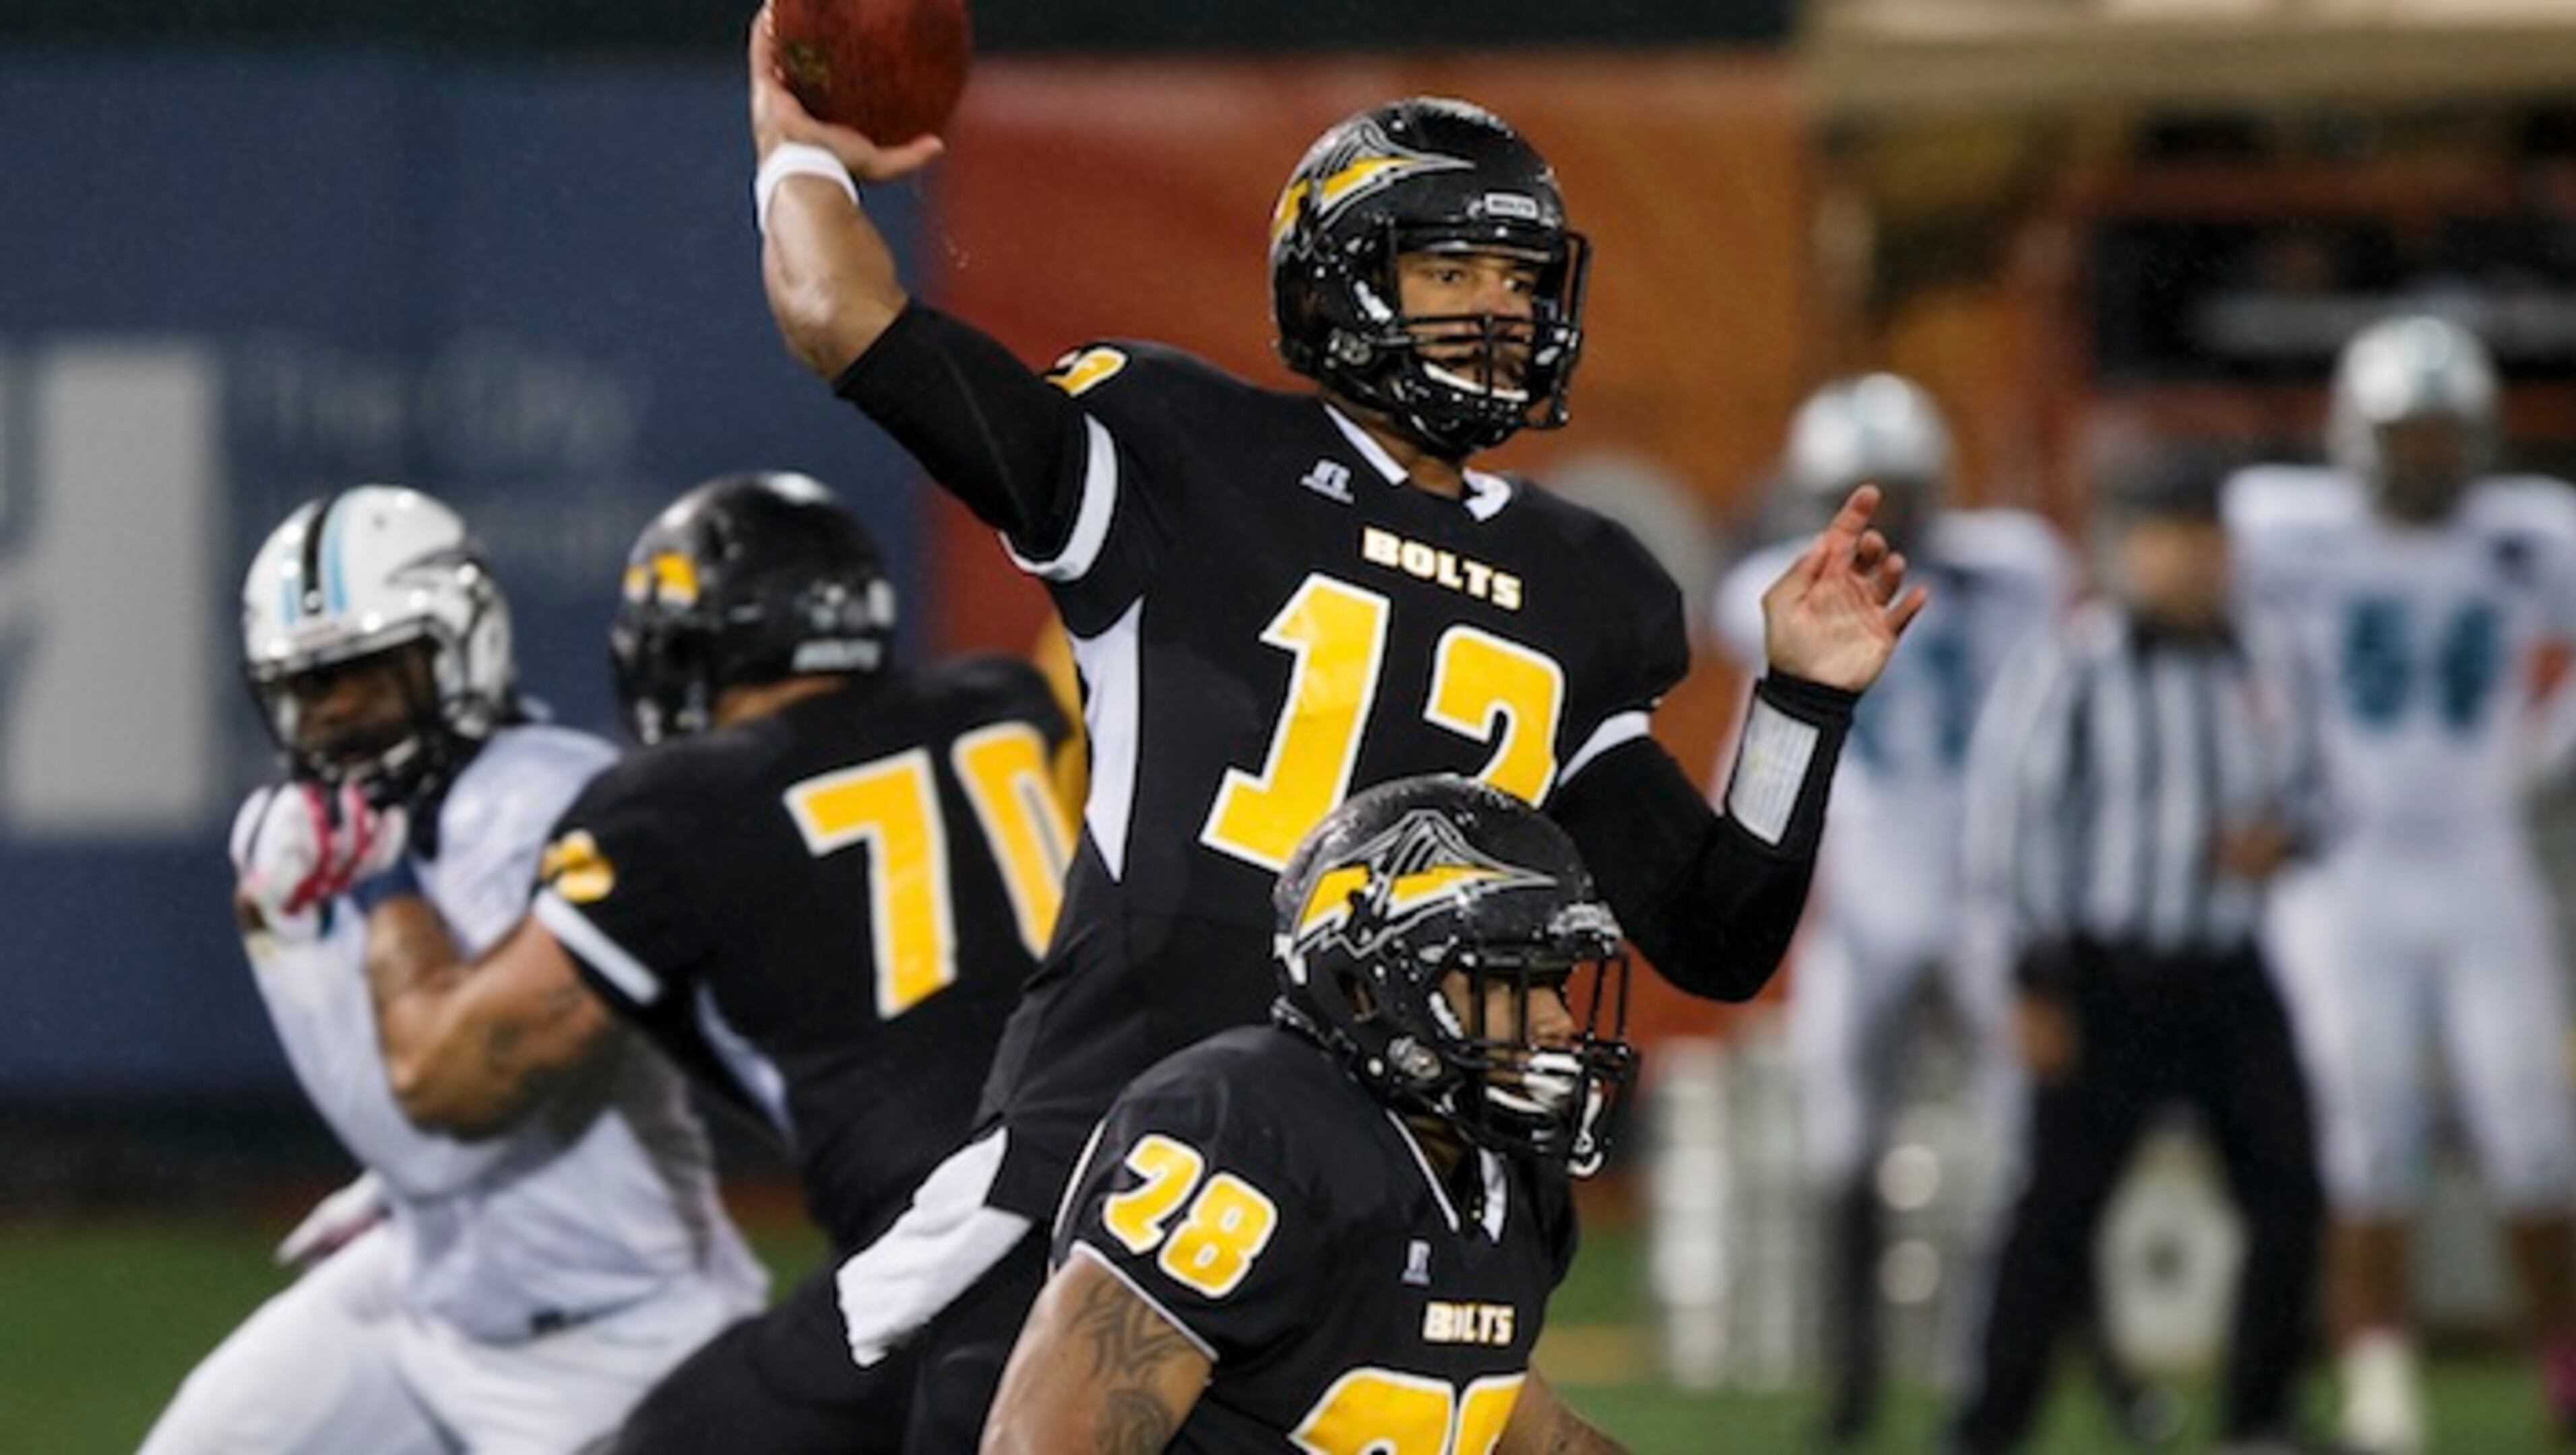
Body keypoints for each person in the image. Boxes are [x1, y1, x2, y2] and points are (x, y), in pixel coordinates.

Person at [745, 14, 1924, 1442]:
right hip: (1117, 1150)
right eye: (1450, 270)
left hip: (1391, 1187)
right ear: (1340, 280)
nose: (1497, 309)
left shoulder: (1587, 584)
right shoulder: (1179, 448)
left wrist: (1801, 702)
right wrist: (799, 155)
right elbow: (846, 321)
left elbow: (1718, 936)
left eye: (1520, 276)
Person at [330, 472, 1076, 1453]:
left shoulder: (675, 805)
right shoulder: (1008, 700)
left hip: (950, 1260)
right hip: (1149, 1197)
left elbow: (453, 1076)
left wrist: (382, 880)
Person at [144, 485, 765, 1454]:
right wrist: (393, 1192)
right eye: (308, 688)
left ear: (458, 650)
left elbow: (448, 1136)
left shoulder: (553, 804)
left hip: (623, 1334)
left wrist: (358, 908)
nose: (336, 716)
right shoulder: (291, 833)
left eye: (368, 675)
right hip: (424, 1296)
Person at [982, 774, 1634, 1454]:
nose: (1557, 1021)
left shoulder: (1499, 1179)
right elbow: (1042, 1443)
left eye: (1555, 983)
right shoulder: (1249, 1133)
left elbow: (1493, 1413)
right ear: (1369, 987)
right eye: (1508, 982)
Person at [2230, 314, 2576, 1453]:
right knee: (2365, 1121)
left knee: (2532, 1125)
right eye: (2408, 432)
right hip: (2348, 867)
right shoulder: (2283, 525)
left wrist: (2548, 749)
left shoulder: (2534, 533)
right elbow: (2193, 616)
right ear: (2357, 434)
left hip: (2482, 858)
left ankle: (2570, 1377)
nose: (2429, 455)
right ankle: (2382, 1394)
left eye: (2447, 432)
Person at [1708, 374, 2073, 1446]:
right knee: (1842, 1141)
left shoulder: (2014, 571)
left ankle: (2003, 1372)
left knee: (2027, 1147)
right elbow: (1758, 750)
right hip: (1864, 897)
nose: (1891, 510)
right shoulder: (1775, 594)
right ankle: (1856, 1382)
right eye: (1864, 491)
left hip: (1988, 893)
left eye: (1903, 487)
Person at [1948, 448, 2324, 1454]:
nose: (2193, 562)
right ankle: (1987, 1429)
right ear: (2126, 551)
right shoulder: (2073, 661)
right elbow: (2011, 823)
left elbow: (2324, 792)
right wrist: (2033, 979)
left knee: (2291, 1187)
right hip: (2104, 972)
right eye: (2169, 539)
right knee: (2057, 1212)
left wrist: (2284, 837)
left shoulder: (2269, 655)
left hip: (2228, 966)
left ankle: (2260, 1418)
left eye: (2206, 539)